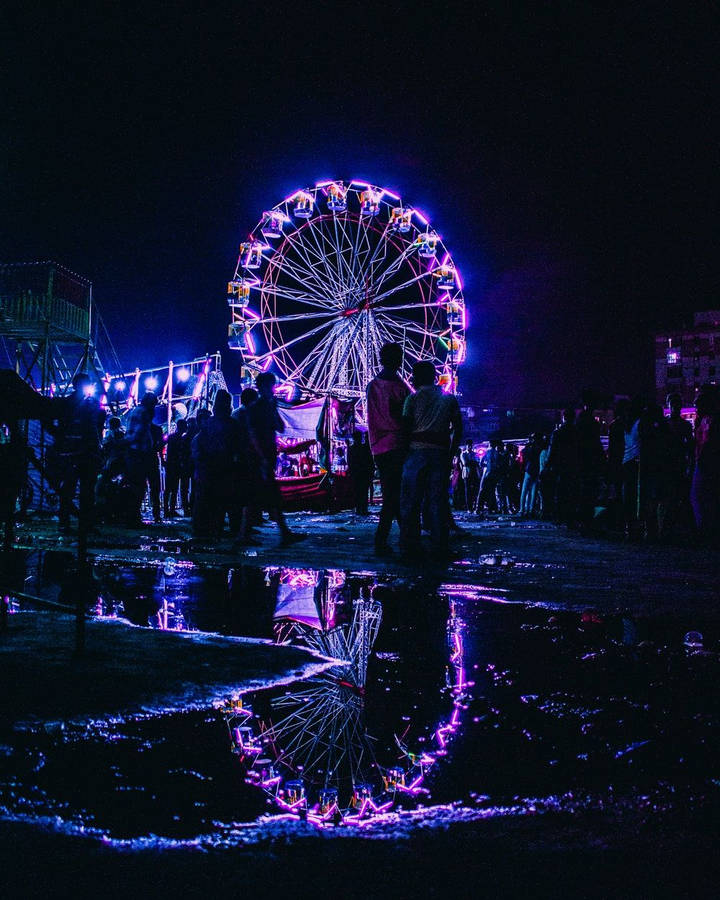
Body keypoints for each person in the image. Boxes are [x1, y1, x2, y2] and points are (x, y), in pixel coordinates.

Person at [399, 361, 462, 558]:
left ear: (417, 377)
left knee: (411, 501)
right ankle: (440, 545)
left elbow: (405, 428)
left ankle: (411, 544)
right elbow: (458, 428)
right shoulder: (448, 399)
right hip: (440, 453)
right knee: (438, 501)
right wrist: (451, 452)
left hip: (416, 452)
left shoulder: (412, 399)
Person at [247, 372, 303, 546]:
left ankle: (244, 534)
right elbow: (253, 434)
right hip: (260, 458)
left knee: (258, 497)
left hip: (267, 456)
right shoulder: (256, 408)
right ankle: (284, 533)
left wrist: (275, 409)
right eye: (271, 386)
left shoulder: (269, 406)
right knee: (267, 496)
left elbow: (280, 427)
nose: (274, 389)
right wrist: (262, 457)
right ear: (263, 387)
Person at [366, 342, 411, 555]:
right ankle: (384, 540)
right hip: (397, 444)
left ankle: (405, 537)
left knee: (391, 494)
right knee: (396, 496)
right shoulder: (400, 388)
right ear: (398, 360)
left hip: (378, 446)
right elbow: (404, 417)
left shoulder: (372, 386)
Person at [52, 373, 104, 534]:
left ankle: (81, 523)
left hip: (84, 453)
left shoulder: (90, 404)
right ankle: (68, 522)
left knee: (84, 490)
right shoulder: (67, 404)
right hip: (74, 453)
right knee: (71, 489)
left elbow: (96, 428)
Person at [690, 384, 720, 543]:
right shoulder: (704, 420)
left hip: (706, 464)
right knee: (703, 499)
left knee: (700, 498)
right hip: (704, 463)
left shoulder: (708, 421)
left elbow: (707, 444)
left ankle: (706, 533)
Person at [125, 391, 159, 526]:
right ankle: (133, 517)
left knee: (136, 485)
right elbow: (138, 435)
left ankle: (133, 516)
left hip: (134, 453)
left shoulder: (135, 411)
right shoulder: (144, 413)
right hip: (139, 454)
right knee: (139, 486)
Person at [547, 408, 579, 526]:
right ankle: (571, 518)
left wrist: (547, 466)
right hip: (574, 466)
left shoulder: (558, 433)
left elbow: (552, 451)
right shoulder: (577, 432)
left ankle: (560, 517)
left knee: (560, 493)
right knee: (572, 493)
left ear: (563, 417)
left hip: (560, 466)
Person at [163, 419, 186, 518]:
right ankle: (169, 509)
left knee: (171, 488)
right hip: (174, 465)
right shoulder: (179, 438)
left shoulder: (173, 437)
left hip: (171, 464)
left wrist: (163, 459)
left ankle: (168, 509)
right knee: (172, 488)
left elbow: (161, 445)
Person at [348, 430, 374, 515]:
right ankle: (363, 509)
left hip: (357, 473)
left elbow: (350, 462)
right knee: (363, 491)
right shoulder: (364, 448)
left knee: (358, 491)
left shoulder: (352, 449)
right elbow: (369, 461)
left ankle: (359, 508)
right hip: (363, 473)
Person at [519, 433, 542, 516]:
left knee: (524, 491)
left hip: (528, 470)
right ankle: (530, 510)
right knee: (533, 491)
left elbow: (523, 456)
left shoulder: (528, 448)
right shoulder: (539, 448)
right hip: (536, 471)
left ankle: (522, 510)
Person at [459, 440, 480, 512]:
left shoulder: (474, 453)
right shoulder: (463, 454)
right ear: (466, 446)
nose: (470, 447)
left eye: (471, 445)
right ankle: (469, 508)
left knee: (474, 491)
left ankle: (474, 506)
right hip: (467, 474)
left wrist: (472, 463)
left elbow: (477, 463)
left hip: (474, 473)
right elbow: (465, 463)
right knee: (468, 491)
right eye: (468, 445)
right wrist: (473, 463)